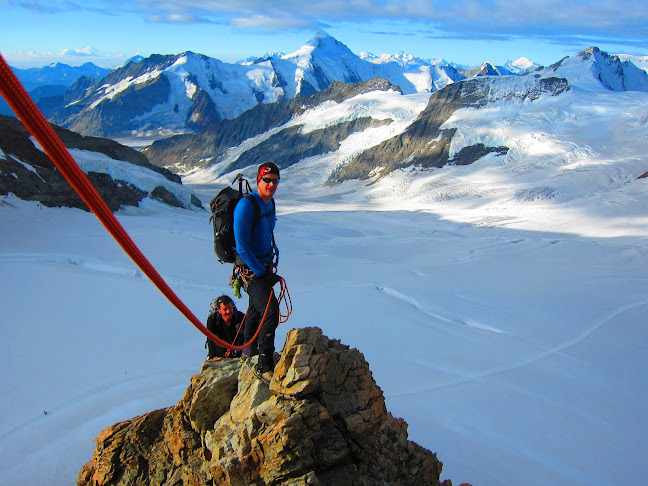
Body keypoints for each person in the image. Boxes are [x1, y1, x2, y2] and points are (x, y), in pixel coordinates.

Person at [233, 161, 281, 384]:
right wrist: (262, 272)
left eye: (275, 181)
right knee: (270, 311)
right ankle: (264, 366)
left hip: (263, 266)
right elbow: (242, 246)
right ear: (258, 181)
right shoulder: (246, 205)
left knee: (255, 308)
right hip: (250, 271)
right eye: (267, 180)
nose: (271, 184)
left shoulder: (270, 203)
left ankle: (246, 353)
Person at [205, 295, 245, 360]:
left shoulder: (240, 317)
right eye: (225, 309)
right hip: (219, 352)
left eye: (230, 308)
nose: (228, 311)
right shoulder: (212, 320)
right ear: (219, 310)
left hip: (238, 352)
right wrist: (213, 356)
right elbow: (210, 340)